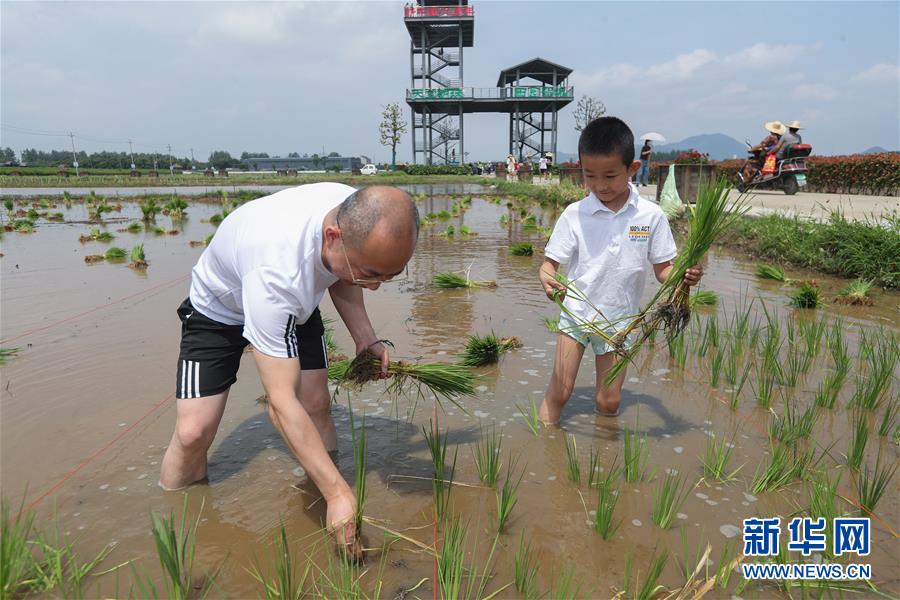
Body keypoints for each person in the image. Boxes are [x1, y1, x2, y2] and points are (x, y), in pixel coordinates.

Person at [159, 183, 418, 557]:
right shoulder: (277, 274)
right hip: (218, 310)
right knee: (193, 432)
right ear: (333, 236)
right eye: (371, 274)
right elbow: (279, 402)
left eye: (389, 276)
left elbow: (346, 274)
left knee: (316, 403)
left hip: (294, 305)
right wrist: (339, 493)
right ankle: (176, 526)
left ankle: (322, 492)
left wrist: (366, 337)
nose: (375, 286)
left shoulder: (353, 210)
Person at [537, 117, 703, 424]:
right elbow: (549, 266)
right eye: (590, 175)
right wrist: (549, 283)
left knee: (609, 400)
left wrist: (683, 275)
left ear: (632, 168)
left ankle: (605, 457)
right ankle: (544, 447)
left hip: (621, 323)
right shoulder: (575, 214)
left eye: (611, 176)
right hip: (576, 315)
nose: (600, 185)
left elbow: (664, 270)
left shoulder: (650, 216)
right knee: (560, 391)